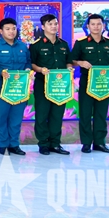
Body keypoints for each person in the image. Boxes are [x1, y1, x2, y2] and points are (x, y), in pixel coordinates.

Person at [72, 14, 109, 154]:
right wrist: (80, 62)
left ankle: (100, 143)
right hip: (87, 82)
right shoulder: (81, 43)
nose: (96, 27)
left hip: (104, 83)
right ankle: (86, 143)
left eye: (99, 24)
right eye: (93, 24)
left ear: (103, 26)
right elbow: (72, 60)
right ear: (88, 26)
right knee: (85, 113)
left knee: (101, 113)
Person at [0, 18, 31, 156]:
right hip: (1, 87)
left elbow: (28, 62)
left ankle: (14, 145)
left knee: (16, 117)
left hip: (19, 88)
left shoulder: (22, 46)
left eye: (13, 28)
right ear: (1, 31)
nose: (11, 31)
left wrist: (28, 69)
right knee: (1, 116)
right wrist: (0, 72)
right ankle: (3, 145)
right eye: (8, 29)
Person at [29, 14, 72, 156]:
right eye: (50, 24)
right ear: (43, 27)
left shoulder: (63, 44)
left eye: (55, 24)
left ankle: (55, 143)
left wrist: (69, 68)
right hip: (43, 84)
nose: (53, 26)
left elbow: (69, 61)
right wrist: (40, 69)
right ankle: (43, 144)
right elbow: (31, 64)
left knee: (57, 114)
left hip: (60, 85)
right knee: (42, 115)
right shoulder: (36, 45)